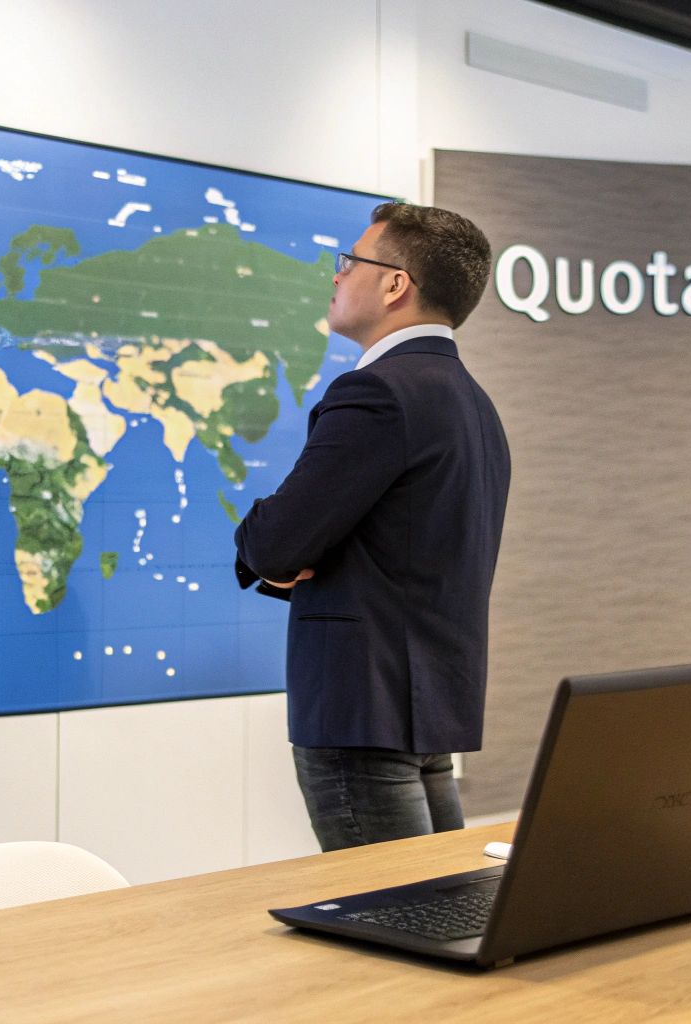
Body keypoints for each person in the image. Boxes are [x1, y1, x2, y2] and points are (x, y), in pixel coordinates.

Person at [234, 202, 510, 852]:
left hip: (363, 715)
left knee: (392, 927)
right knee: (437, 910)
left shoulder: (378, 393)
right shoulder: (474, 404)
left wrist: (271, 549)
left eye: (350, 261)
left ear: (395, 284)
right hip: (428, 712)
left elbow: (277, 540)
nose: (336, 276)